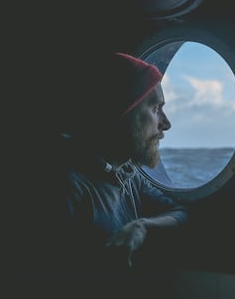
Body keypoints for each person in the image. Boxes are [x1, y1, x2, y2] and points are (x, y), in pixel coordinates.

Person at [51, 52, 188, 284]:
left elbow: (181, 212)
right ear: (121, 113)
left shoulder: (126, 173)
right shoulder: (64, 188)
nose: (166, 123)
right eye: (156, 108)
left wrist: (142, 226)